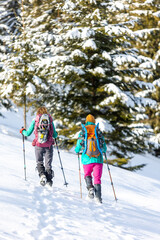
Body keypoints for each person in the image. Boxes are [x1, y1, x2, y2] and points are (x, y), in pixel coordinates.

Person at [20, 106, 58, 187]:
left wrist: (23, 131)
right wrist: (56, 133)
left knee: (39, 162)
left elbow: (27, 133)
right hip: (49, 146)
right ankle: (49, 181)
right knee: (48, 164)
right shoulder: (50, 120)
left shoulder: (35, 120)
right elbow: (54, 135)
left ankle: (42, 176)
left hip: (38, 145)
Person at [75, 114, 107, 203]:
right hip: (98, 159)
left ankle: (90, 188)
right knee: (97, 178)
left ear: (86, 121)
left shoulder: (83, 131)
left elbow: (78, 146)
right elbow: (104, 147)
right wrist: (103, 150)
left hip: (86, 159)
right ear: (94, 121)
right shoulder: (98, 132)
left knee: (87, 174)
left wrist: (77, 150)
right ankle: (98, 198)